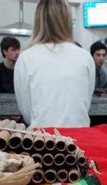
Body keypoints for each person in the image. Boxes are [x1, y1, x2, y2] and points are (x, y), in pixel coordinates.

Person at [14, 0, 95, 128]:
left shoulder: (26, 58)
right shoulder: (85, 57)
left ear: (38, 21)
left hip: (43, 140)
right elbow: (85, 103)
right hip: (80, 139)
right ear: (67, 20)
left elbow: (27, 112)